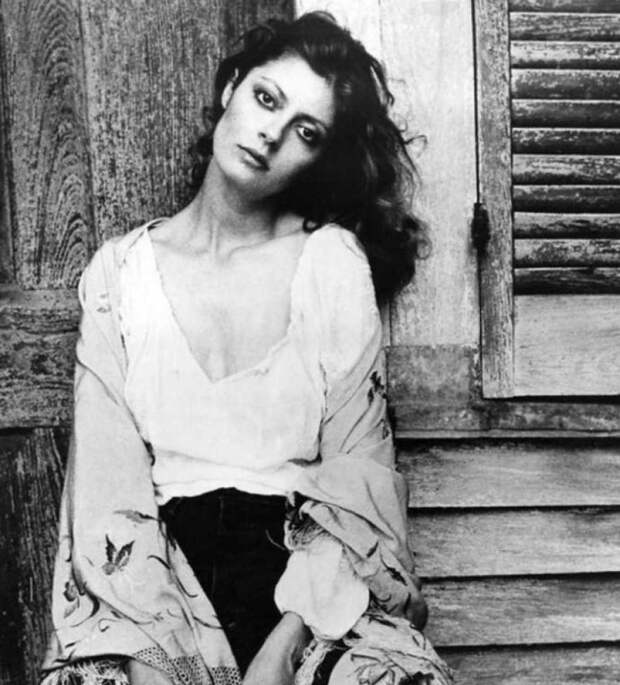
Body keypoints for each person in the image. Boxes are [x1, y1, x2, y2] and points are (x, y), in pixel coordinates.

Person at [41, 12, 453, 685]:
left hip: (304, 585)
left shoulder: (331, 264)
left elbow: (360, 480)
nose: (271, 134)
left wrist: (283, 651)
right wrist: (155, 661)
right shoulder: (119, 275)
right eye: (266, 98)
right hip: (158, 585)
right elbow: (106, 493)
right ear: (232, 86)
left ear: (318, 157)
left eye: (306, 131)